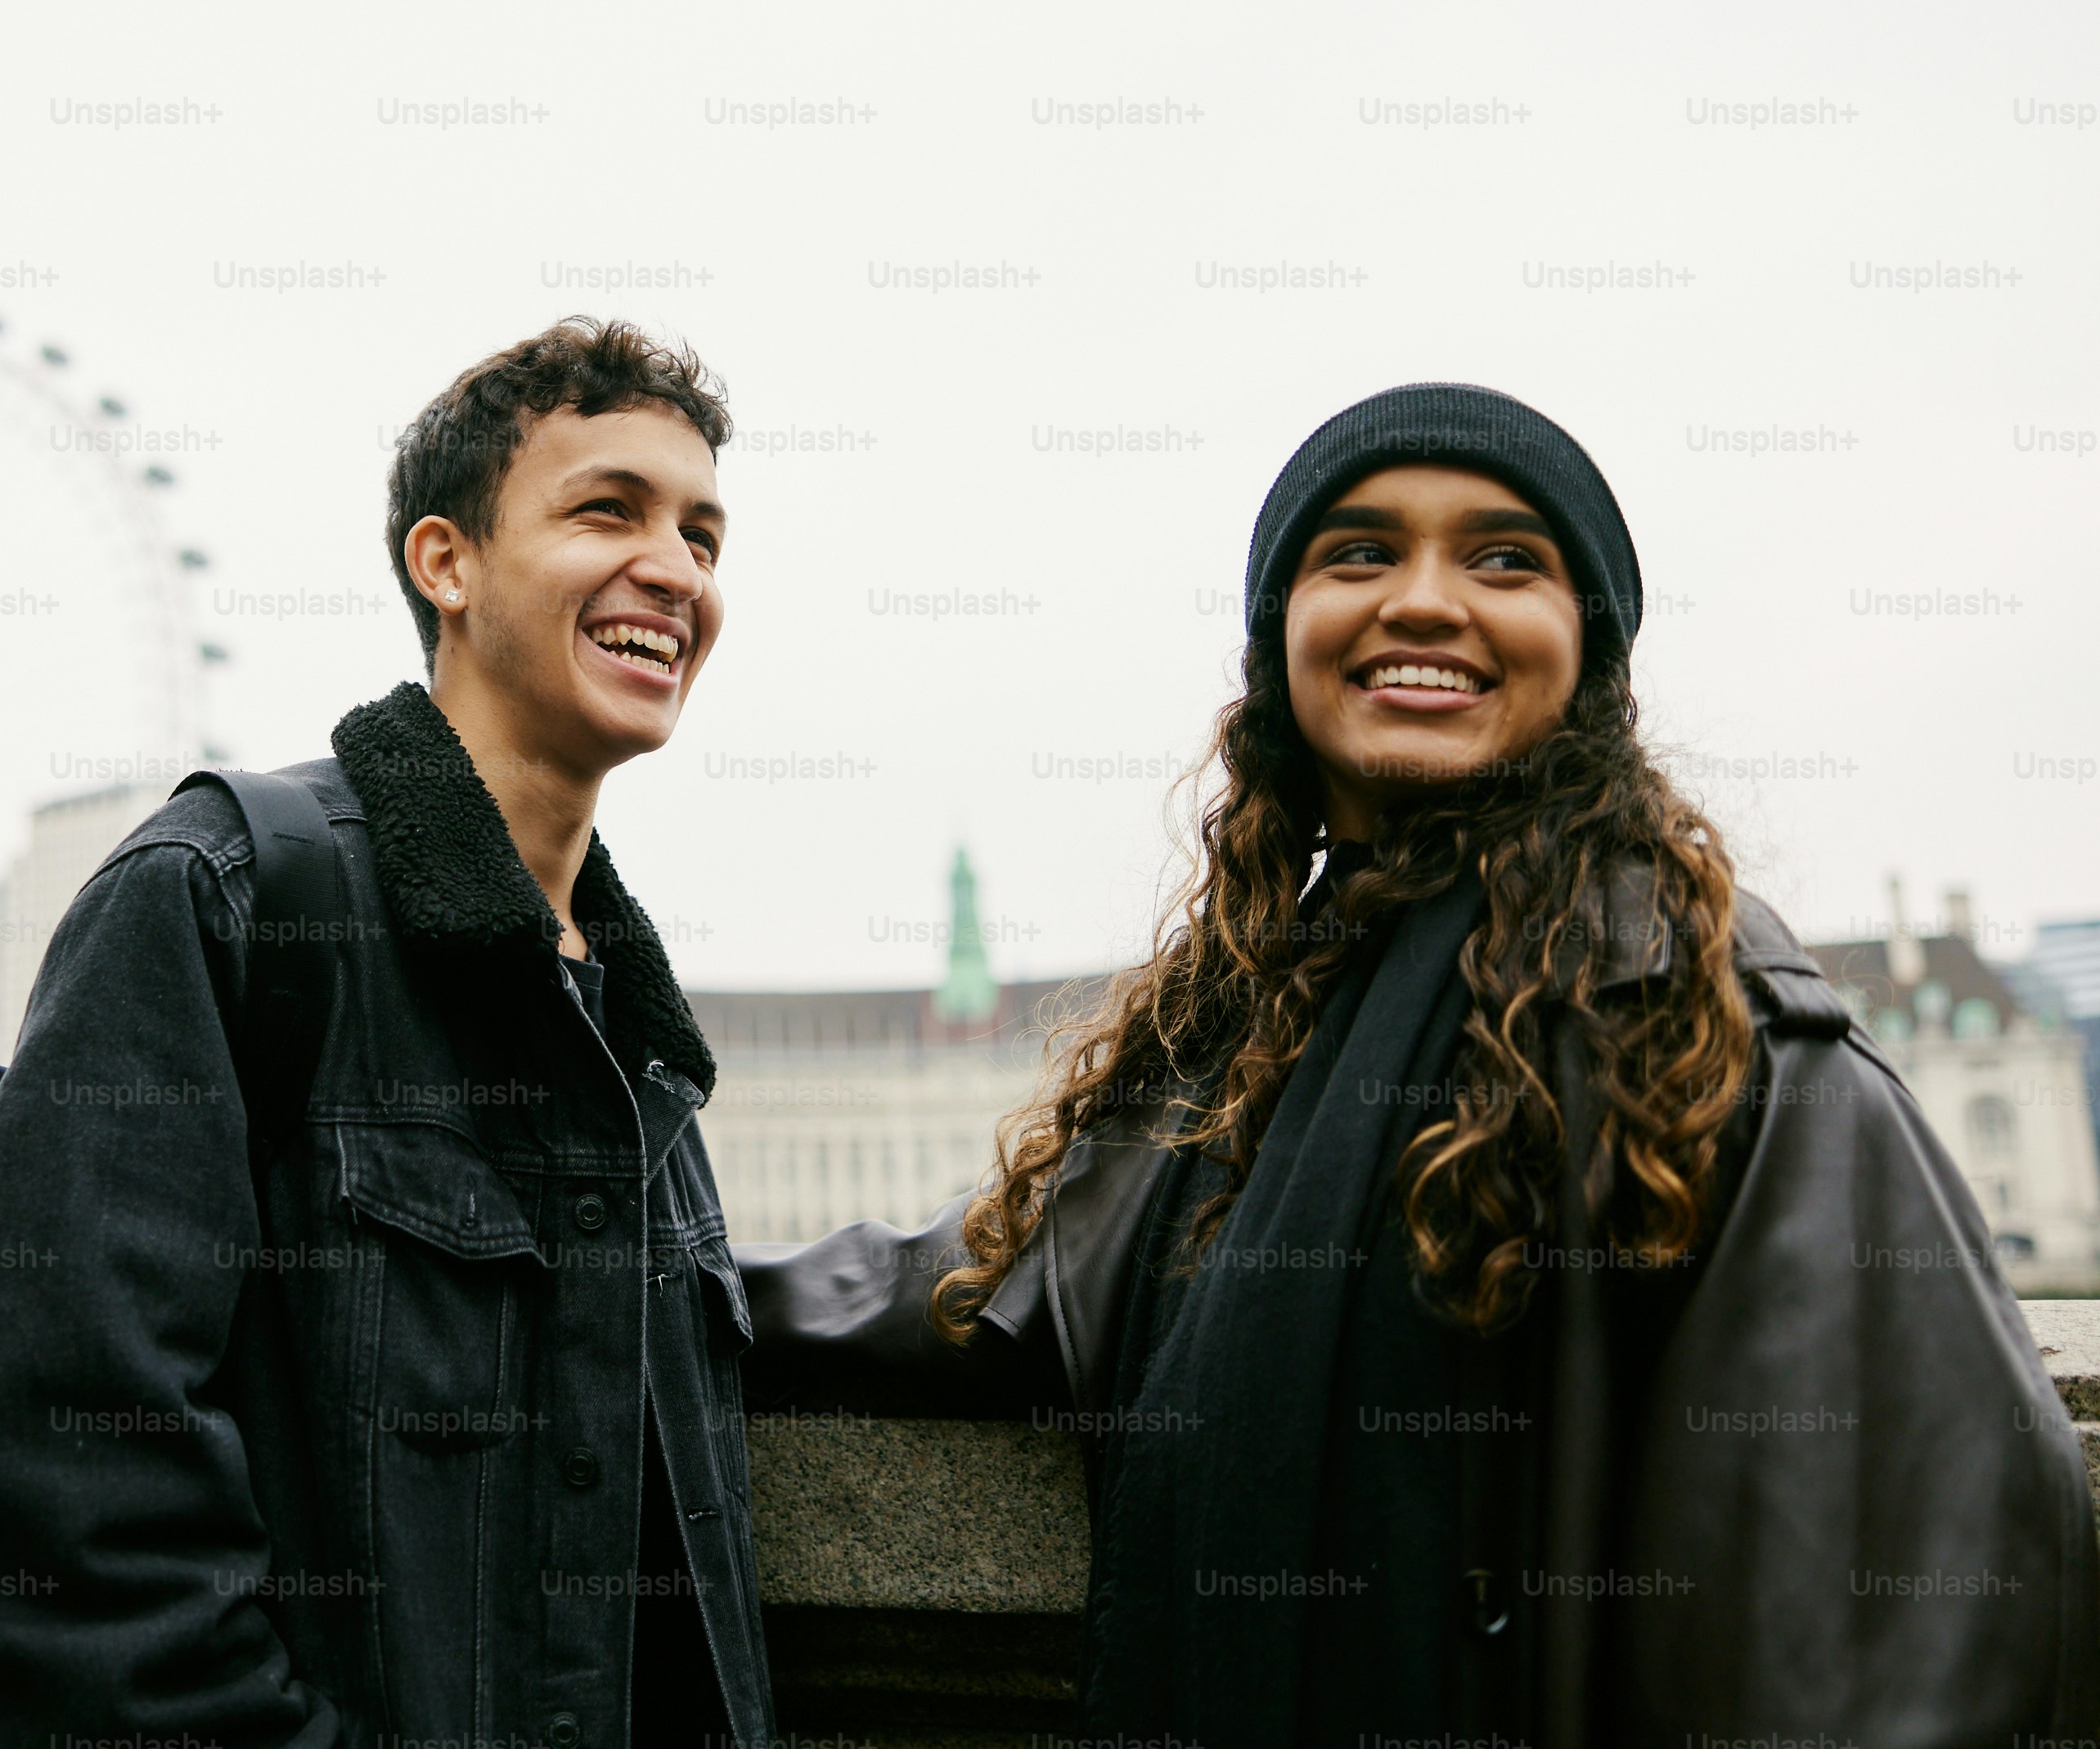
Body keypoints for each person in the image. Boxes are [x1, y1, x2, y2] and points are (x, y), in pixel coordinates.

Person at [749, 381, 2100, 1744]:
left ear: (1589, 652)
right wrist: (644, 1279)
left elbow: (1893, 1612)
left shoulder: (1705, 1008)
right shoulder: (1248, 1023)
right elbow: (1009, 1281)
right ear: (1283, 642)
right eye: (1359, 553)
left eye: (1505, 557)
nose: (1425, 600)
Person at [0, 318, 768, 1749]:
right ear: (448, 562)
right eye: (607, 510)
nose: (675, 570)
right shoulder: (226, 903)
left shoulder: (632, 1041)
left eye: (705, 535)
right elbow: (38, 1490)